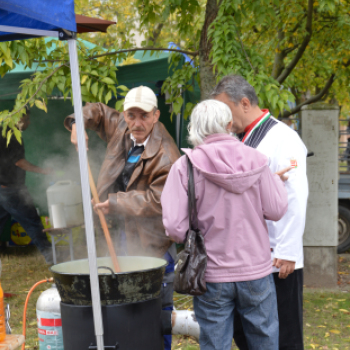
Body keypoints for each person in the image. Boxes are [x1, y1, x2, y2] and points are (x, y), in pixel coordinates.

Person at [161, 99, 289, 350]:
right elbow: (276, 209)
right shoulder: (257, 160)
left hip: (211, 274)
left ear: (194, 127)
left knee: (215, 343)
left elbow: (175, 228)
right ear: (230, 124)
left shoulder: (184, 167)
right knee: (264, 341)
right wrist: (276, 183)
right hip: (256, 271)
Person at [64, 86, 181, 350]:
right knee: (125, 302)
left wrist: (115, 202)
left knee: (155, 308)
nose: (137, 123)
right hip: (122, 232)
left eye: (144, 116)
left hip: (154, 242)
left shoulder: (167, 157)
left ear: (156, 115)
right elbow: (97, 110)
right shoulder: (122, 127)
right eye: (131, 115)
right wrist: (76, 122)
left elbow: (158, 200)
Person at [212, 75, 308, 350]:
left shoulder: (283, 138)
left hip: (279, 257)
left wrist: (288, 251)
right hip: (246, 255)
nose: (223, 118)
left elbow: (295, 196)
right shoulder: (236, 138)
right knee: (247, 332)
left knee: (285, 332)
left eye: (225, 110)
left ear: (244, 103)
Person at [0, 111, 53, 263]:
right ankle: (52, 259)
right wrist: (43, 171)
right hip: (13, 190)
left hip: (2, 189)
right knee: (33, 223)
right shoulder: (13, 135)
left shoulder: (2, 132)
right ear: (17, 118)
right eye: (26, 119)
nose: (28, 123)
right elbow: (19, 162)